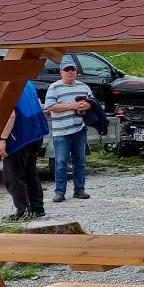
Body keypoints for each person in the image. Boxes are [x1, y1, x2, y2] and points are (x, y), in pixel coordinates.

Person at [0, 80, 49, 221]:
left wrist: (2, 139)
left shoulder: (6, 85)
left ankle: (23, 212)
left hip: (19, 136)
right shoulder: (27, 83)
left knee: (13, 176)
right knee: (30, 173)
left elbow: (11, 115)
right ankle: (38, 208)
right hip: (36, 133)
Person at [44, 58, 94, 202]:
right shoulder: (54, 87)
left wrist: (87, 106)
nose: (71, 72)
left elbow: (92, 102)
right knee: (60, 163)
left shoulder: (84, 87)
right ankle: (59, 192)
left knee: (80, 161)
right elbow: (50, 106)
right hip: (61, 131)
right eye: (67, 69)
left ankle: (79, 189)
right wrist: (72, 106)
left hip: (79, 129)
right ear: (61, 72)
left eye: (73, 69)